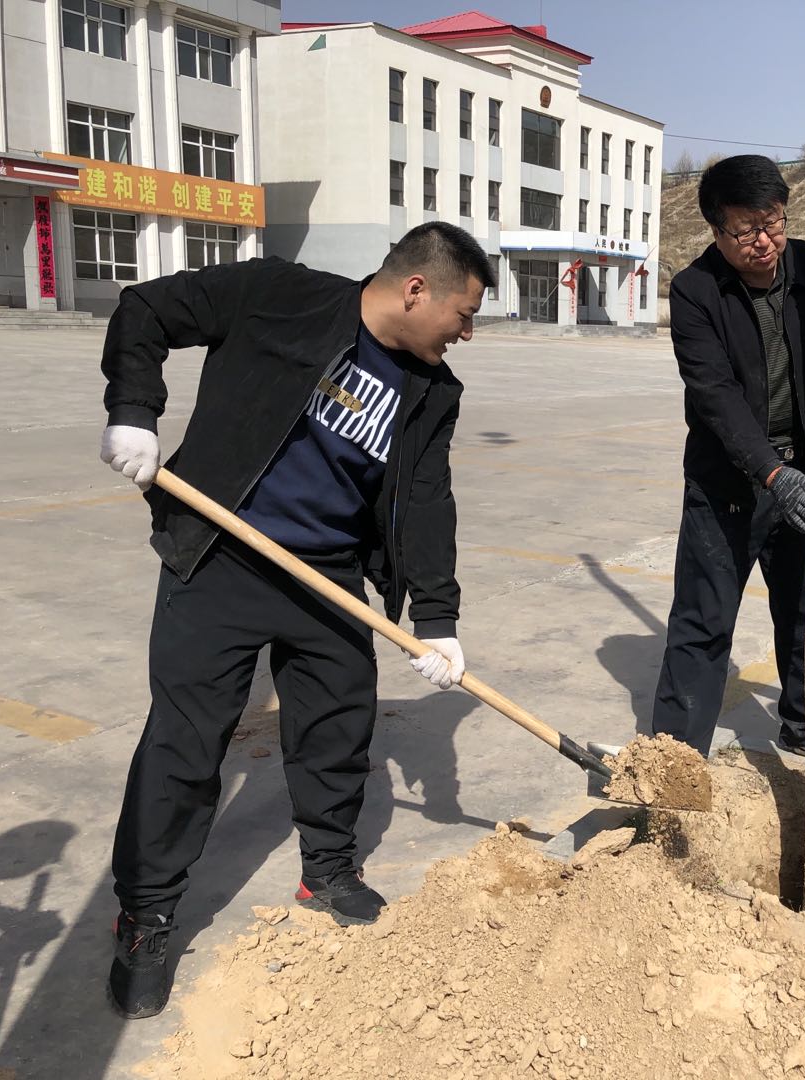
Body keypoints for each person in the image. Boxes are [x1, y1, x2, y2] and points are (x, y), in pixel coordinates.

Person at [98, 222, 493, 1019]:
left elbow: (425, 500)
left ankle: (329, 870)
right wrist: (134, 410)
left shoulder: (431, 391)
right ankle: (146, 914)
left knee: (338, 728)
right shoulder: (278, 294)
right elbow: (145, 310)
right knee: (185, 743)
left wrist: (438, 618)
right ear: (417, 290)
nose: (466, 332)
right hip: (221, 555)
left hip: (329, 576)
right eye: (464, 314)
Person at [651, 154, 805, 759]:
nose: (764, 241)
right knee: (703, 622)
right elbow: (715, 396)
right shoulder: (696, 290)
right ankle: (675, 757)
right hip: (727, 484)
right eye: (746, 230)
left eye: (773, 222)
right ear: (715, 228)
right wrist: (772, 473)